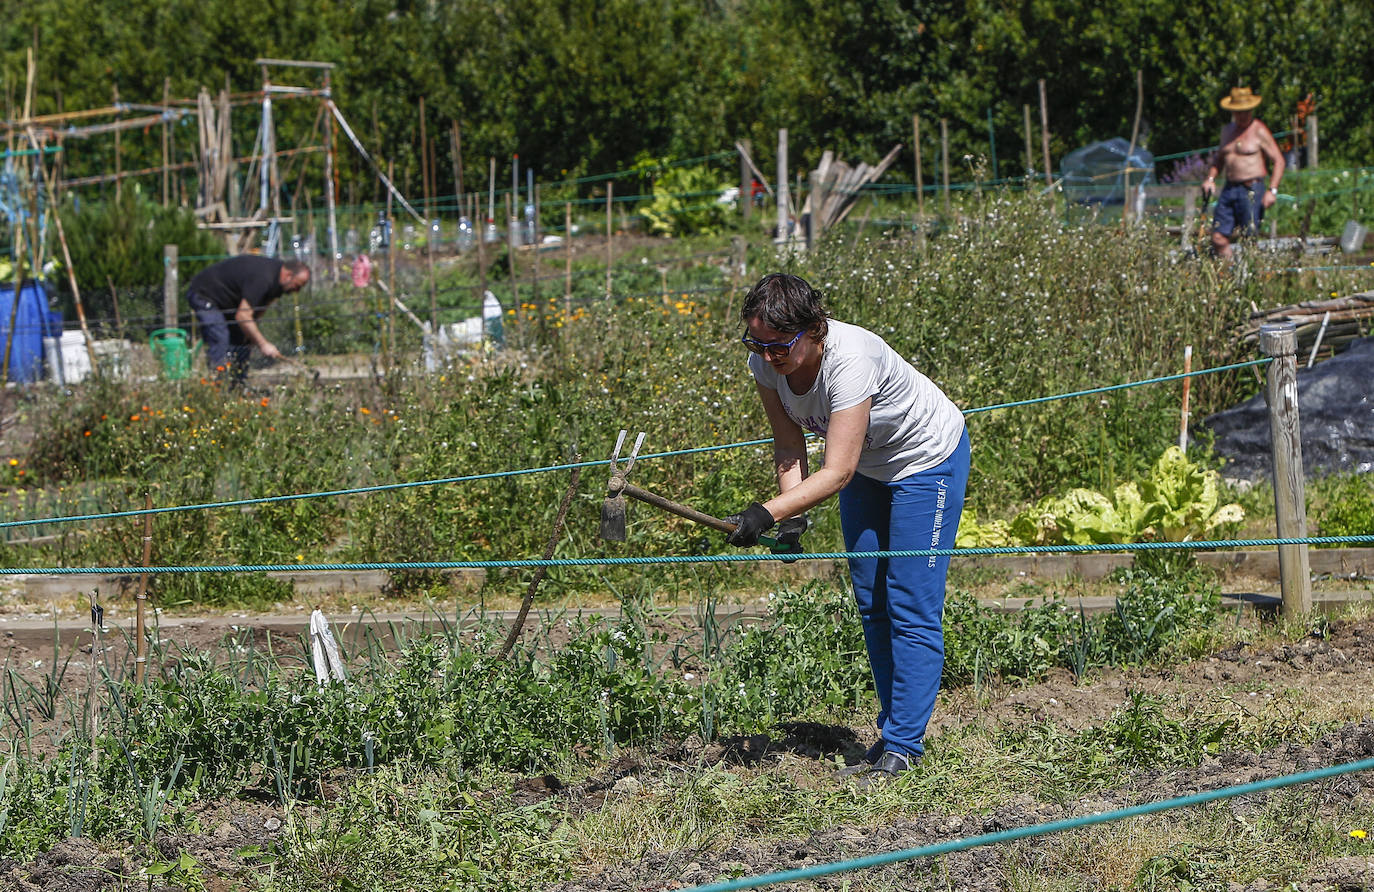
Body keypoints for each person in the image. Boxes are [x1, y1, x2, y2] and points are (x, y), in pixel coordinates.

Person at [724, 273, 969, 785]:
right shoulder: (765, 364)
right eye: (758, 345)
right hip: (868, 468)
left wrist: (766, 512)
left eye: (780, 346)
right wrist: (790, 516)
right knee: (871, 600)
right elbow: (790, 446)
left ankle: (903, 745)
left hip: (926, 462)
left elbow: (835, 472)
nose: (769, 357)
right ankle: (892, 733)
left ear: (815, 329)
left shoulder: (850, 360)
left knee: (910, 601)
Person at [185, 255, 310, 387]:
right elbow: (243, 316)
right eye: (297, 285)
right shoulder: (264, 278)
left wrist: (251, 337)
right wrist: (263, 344)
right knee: (220, 337)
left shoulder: (278, 284)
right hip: (205, 294)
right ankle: (217, 387)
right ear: (288, 275)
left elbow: (259, 309)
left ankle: (237, 387)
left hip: (228, 304)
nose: (297, 291)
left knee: (242, 340)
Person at [1202, 86, 1285, 260]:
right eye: (1239, 112)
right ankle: (1230, 273)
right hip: (1229, 188)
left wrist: (1272, 190)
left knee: (1249, 238)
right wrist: (1210, 179)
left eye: (1246, 112)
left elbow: (1279, 160)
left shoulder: (1259, 130)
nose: (1243, 116)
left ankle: (1248, 279)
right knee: (1217, 237)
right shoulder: (1227, 131)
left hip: (1251, 189)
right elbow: (1219, 159)